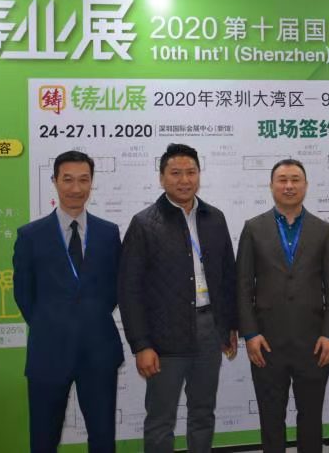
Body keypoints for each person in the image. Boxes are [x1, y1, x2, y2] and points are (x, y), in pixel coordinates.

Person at [118, 143, 238, 453]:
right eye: (175, 173)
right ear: (162, 178)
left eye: (191, 172)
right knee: (161, 420)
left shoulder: (215, 218)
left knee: (203, 413)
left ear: (199, 175)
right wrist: (141, 345)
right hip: (164, 337)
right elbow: (129, 290)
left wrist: (228, 326)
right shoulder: (144, 224)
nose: (184, 180)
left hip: (209, 330)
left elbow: (228, 276)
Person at [13, 150, 123, 453]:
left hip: (98, 352)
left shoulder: (108, 233)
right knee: (43, 440)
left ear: (92, 182)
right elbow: (24, 294)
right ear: (55, 181)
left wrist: (88, 317)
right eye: (68, 180)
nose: (76, 188)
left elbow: (115, 289)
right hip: (48, 353)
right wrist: (52, 323)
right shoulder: (30, 236)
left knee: (103, 439)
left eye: (83, 180)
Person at [236, 159, 329, 453]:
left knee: (311, 418)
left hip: (314, 342)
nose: (289, 186)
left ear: (306, 185)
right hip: (266, 343)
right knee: (271, 419)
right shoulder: (253, 228)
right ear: (271, 186)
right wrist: (250, 333)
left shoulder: (323, 230)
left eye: (295, 179)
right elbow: (243, 287)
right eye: (282, 180)